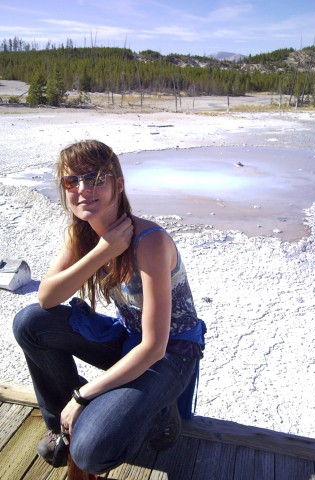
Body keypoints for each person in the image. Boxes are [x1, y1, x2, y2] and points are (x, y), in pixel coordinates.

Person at [13, 140, 206, 475]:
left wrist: (83, 396)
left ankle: (162, 414)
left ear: (119, 185)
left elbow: (154, 347)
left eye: (96, 178)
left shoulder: (150, 242)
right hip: (128, 337)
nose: (84, 189)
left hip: (171, 353)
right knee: (30, 322)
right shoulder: (84, 236)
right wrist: (103, 251)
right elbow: (46, 298)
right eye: (72, 181)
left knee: (91, 452)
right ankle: (62, 428)